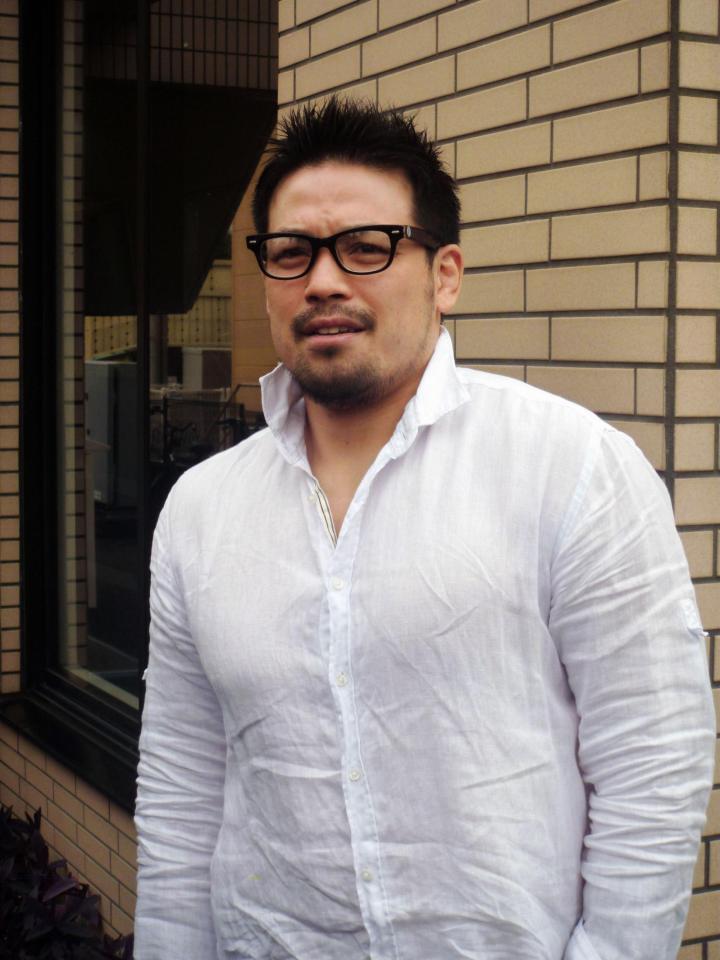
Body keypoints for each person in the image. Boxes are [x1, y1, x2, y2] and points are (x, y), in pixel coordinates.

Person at [134, 97, 716, 960]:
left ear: (446, 275)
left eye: (367, 246)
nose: (323, 281)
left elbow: (653, 767)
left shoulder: (571, 467)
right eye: (291, 252)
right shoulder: (200, 509)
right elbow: (182, 786)